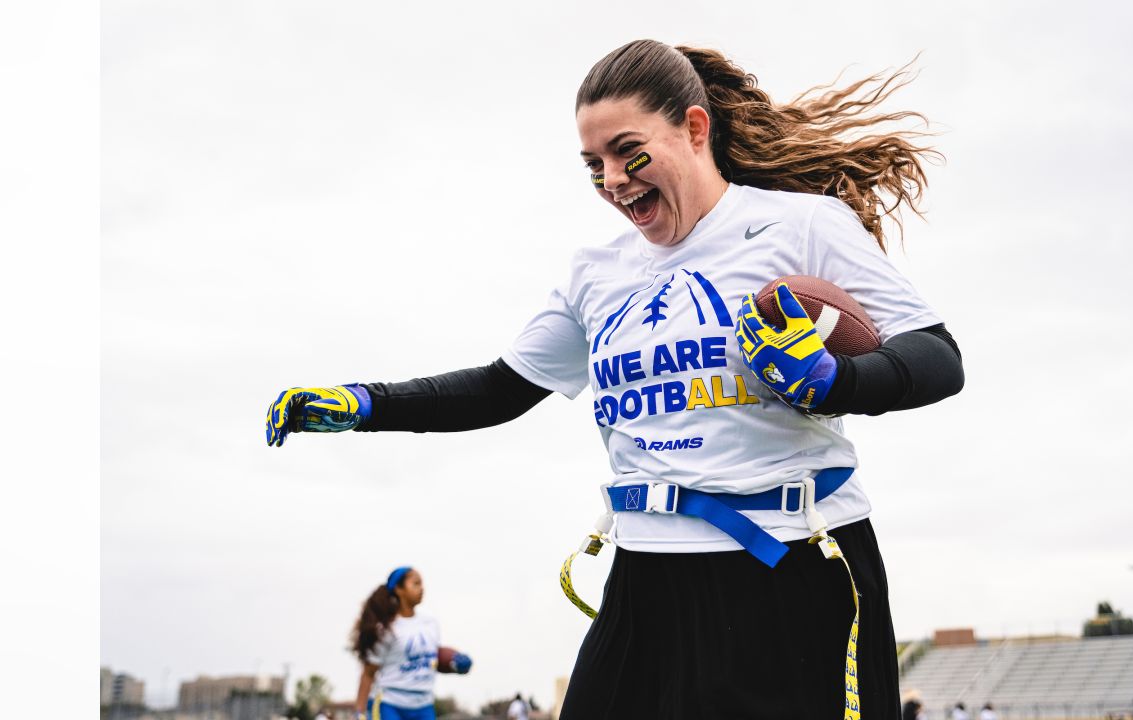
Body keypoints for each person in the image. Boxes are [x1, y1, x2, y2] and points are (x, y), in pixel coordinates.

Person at [267, 39, 963, 720]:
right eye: (592, 164)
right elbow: (499, 389)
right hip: (647, 575)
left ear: (695, 128)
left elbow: (936, 356)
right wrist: (361, 404)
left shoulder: (802, 225)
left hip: (790, 565)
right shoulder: (596, 272)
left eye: (627, 153)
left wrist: (834, 381)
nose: (612, 180)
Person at [350, 567, 472, 720]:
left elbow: (432, 658)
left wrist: (455, 662)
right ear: (399, 589)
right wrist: (359, 711)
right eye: (416, 583)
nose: (422, 588)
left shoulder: (430, 623)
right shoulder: (386, 629)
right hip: (391, 704)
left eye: (422, 583)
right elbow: (368, 673)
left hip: (424, 704)